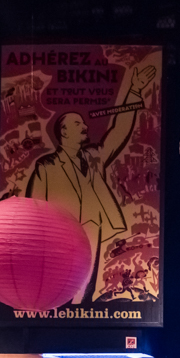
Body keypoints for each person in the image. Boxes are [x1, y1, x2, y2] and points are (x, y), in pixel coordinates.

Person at [23, 63, 157, 304]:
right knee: (59, 281)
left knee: (86, 285)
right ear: (64, 132)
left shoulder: (94, 156)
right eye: (78, 124)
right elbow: (34, 207)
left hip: (92, 226)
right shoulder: (47, 165)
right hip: (60, 233)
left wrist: (134, 91)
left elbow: (119, 131)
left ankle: (80, 307)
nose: (85, 127)